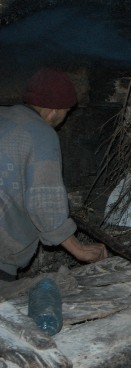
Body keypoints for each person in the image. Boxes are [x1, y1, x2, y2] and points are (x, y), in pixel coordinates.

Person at [0, 68, 108, 282]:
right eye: (66, 112)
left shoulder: (4, 116)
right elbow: (44, 202)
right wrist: (79, 249)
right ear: (54, 111)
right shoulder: (41, 134)